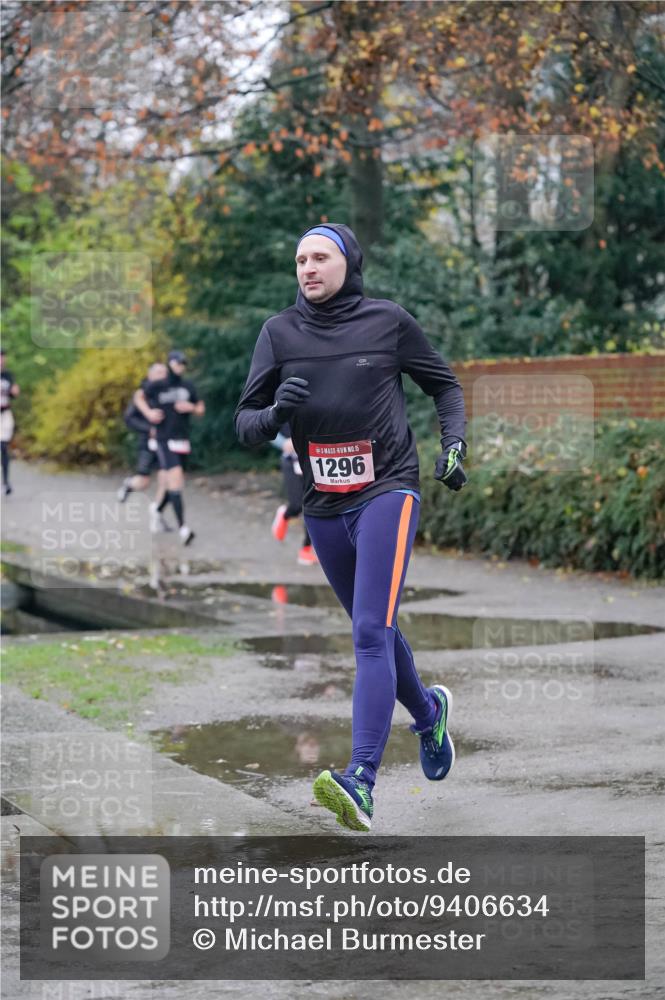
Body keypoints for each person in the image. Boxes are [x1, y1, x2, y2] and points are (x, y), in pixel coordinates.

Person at [235, 223, 467, 832]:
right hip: (323, 502)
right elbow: (243, 425)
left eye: (320, 257)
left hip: (388, 488)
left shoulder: (387, 321)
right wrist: (278, 412)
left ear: (348, 263)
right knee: (379, 631)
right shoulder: (278, 333)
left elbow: (443, 385)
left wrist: (456, 443)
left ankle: (360, 778)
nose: (307, 268)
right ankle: (428, 713)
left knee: (369, 631)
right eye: (300, 259)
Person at [135, 349, 205, 546]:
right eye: (177, 363)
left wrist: (190, 408)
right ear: (170, 363)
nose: (180, 367)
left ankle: (156, 510)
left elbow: (200, 408)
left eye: (183, 363)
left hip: (182, 439)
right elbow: (138, 396)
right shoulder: (158, 385)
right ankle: (184, 529)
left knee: (172, 483)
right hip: (163, 438)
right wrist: (149, 413)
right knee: (175, 480)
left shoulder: (188, 386)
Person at [117, 361, 171, 531]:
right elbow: (129, 418)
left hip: (167, 443)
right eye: (158, 372)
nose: (162, 375)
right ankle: (129, 485)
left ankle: (157, 515)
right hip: (147, 443)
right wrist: (149, 429)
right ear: (150, 375)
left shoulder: (170, 392)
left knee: (167, 480)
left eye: (164, 372)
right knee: (143, 481)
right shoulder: (143, 394)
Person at [271, 424, 318, 566]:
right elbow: (266, 427)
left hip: (313, 462)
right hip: (291, 462)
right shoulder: (283, 404)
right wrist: (283, 443)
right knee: (297, 506)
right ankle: (285, 514)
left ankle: (305, 550)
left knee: (311, 507)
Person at [0, 350, 20, 496]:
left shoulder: (8, 375)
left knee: (3, 447)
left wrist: (14, 392)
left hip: (5, 415)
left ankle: (6, 482)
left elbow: (14, 393)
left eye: (3, 358)